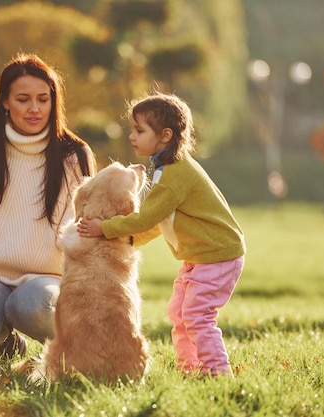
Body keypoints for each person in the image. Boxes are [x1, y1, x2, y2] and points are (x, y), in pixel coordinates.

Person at [77, 92, 245, 377]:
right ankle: (190, 368)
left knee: (196, 316)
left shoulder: (175, 174)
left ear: (165, 135)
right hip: (201, 257)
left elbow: (147, 217)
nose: (132, 136)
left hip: (218, 256)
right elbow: (160, 221)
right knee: (179, 313)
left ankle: (217, 372)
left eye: (139, 131)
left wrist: (104, 228)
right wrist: (127, 240)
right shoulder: (167, 170)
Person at [0, 53, 96, 359]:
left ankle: (69, 352)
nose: (34, 108)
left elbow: (81, 221)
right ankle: (8, 345)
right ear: (4, 101)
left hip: (50, 278)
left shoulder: (75, 155)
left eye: (43, 99)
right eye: (23, 99)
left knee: (29, 305)